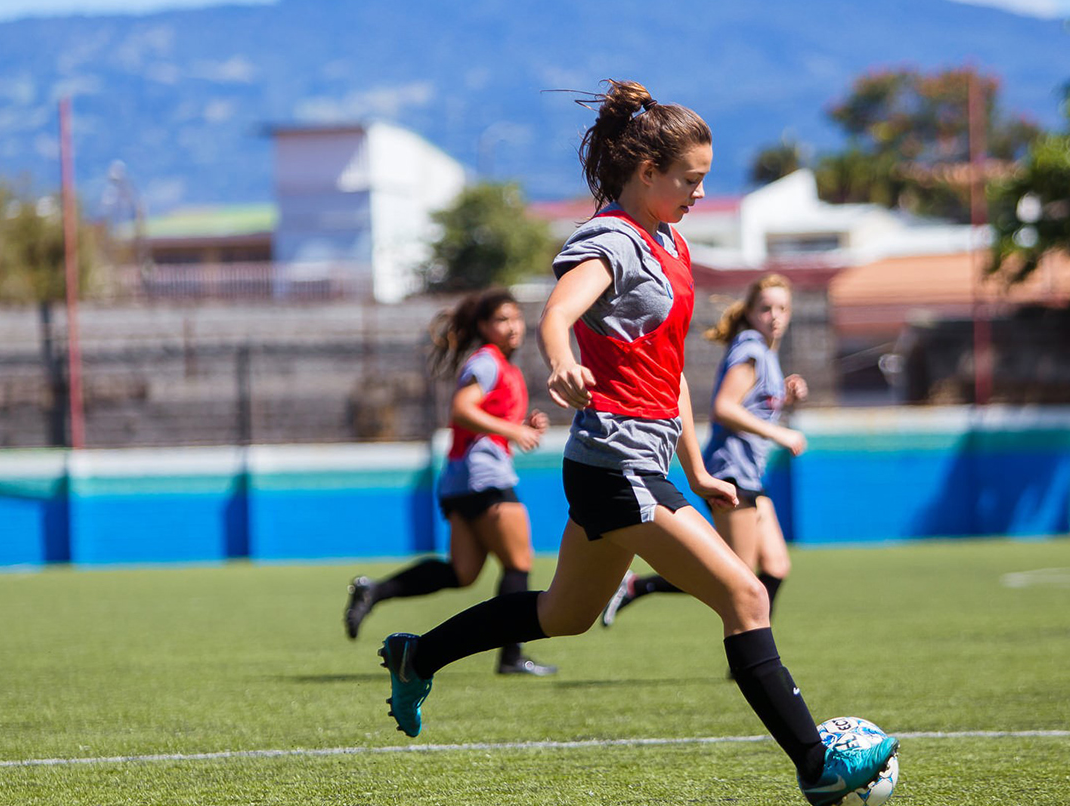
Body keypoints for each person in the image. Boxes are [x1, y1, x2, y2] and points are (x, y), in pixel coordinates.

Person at [374, 80, 896, 805]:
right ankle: (816, 765)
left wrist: (698, 470)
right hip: (614, 467)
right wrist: (559, 357)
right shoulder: (612, 237)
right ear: (646, 173)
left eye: (704, 180)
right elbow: (558, 310)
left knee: (563, 616)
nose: (699, 193)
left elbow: (669, 371)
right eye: (690, 179)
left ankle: (417, 655)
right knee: (745, 595)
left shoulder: (670, 241)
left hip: (633, 465)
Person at [344, 288, 556, 676]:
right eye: (501, 320)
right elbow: (461, 410)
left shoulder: (501, 365)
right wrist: (512, 429)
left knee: (462, 573)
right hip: (483, 477)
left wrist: (521, 427)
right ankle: (511, 656)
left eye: (515, 318)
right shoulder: (488, 361)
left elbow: (482, 417)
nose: (511, 327)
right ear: (483, 326)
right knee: (519, 563)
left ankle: (375, 590)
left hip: (461, 479)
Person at [600, 274, 806, 628]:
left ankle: (637, 585)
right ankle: (749, 657)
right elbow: (725, 408)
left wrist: (785, 396)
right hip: (731, 473)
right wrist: (780, 433)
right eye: (766, 308)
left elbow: (754, 405)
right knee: (738, 579)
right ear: (751, 312)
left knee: (775, 566)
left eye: (782, 308)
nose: (775, 316)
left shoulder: (766, 353)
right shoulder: (751, 349)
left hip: (750, 474)